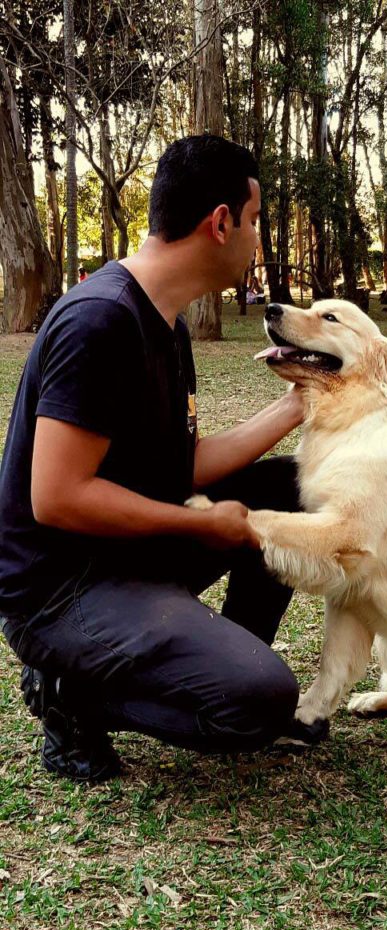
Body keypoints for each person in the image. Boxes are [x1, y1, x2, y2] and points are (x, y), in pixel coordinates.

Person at [0, 135, 305, 783]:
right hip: (58, 593)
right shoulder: (101, 320)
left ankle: (223, 656)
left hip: (121, 558)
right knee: (260, 703)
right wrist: (202, 524)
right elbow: (55, 496)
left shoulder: (165, 322)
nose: (256, 239)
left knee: (287, 486)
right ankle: (69, 693)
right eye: (253, 223)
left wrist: (295, 408)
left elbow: (180, 466)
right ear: (219, 223)